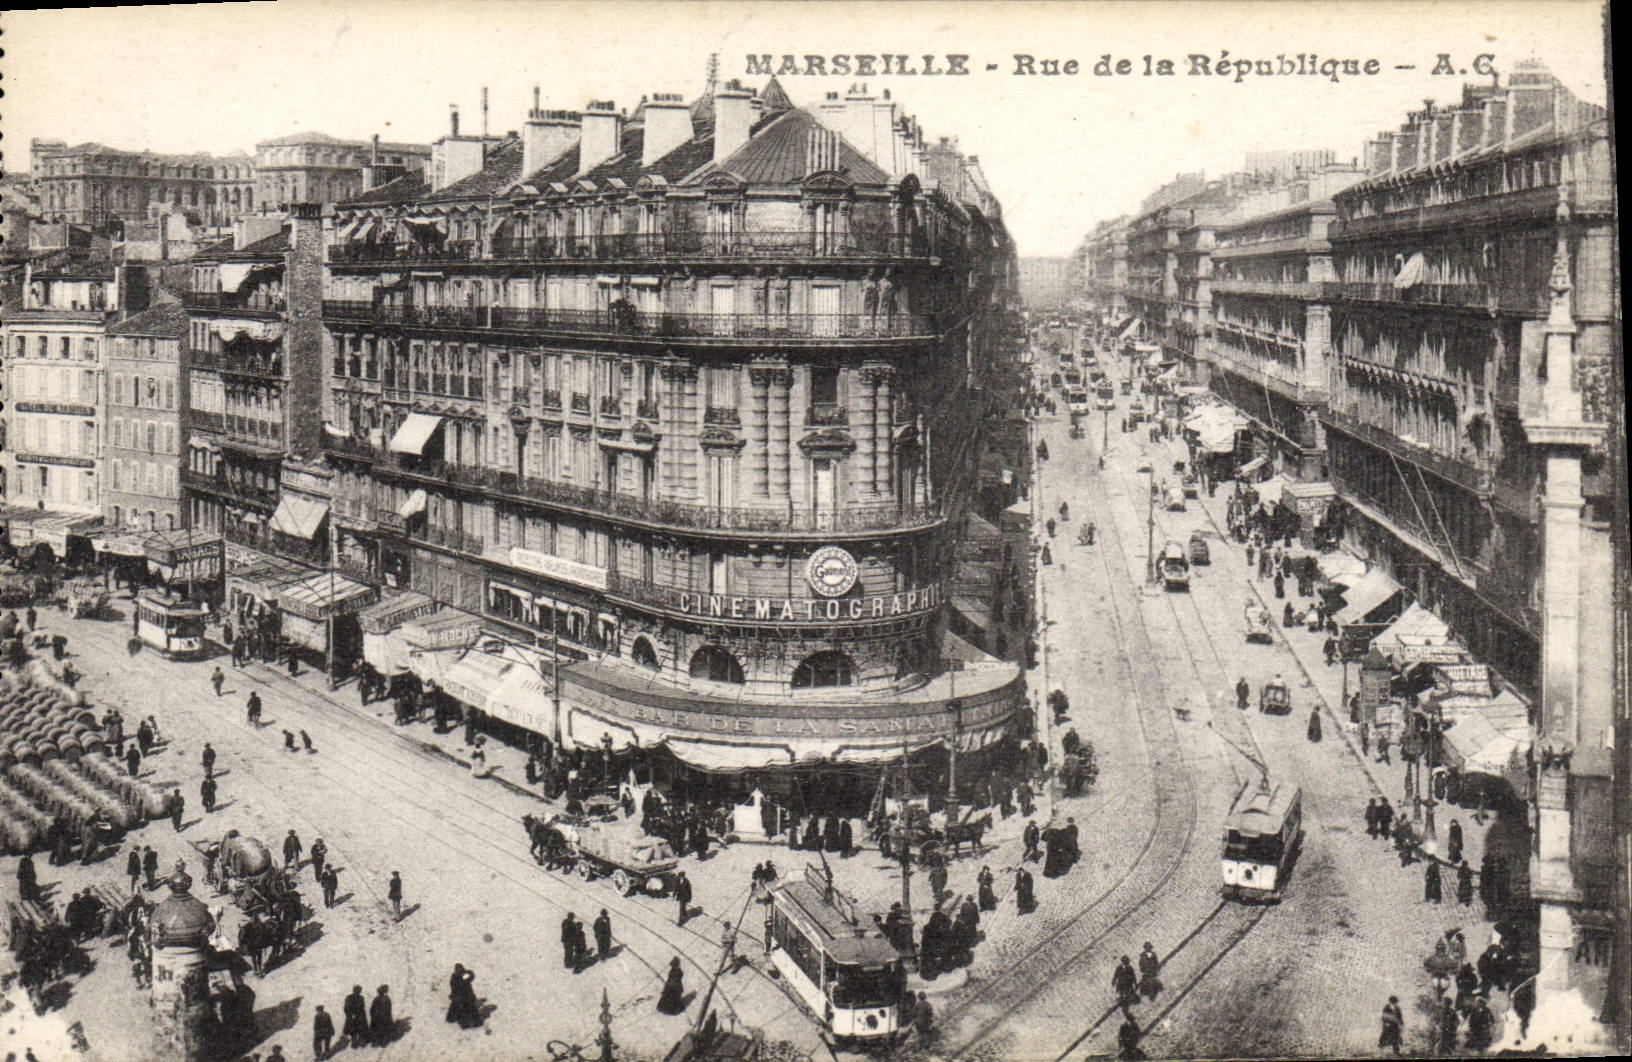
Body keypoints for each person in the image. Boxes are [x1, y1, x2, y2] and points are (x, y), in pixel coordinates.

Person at [446, 964, 481, 1028]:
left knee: (468, 1009)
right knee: (467, 1009)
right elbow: (471, 977)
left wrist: (467, 972)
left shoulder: (458, 977)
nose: (460, 972)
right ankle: (472, 1022)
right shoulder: (457, 979)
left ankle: (475, 1022)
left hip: (463, 997)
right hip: (462, 997)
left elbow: (472, 976)